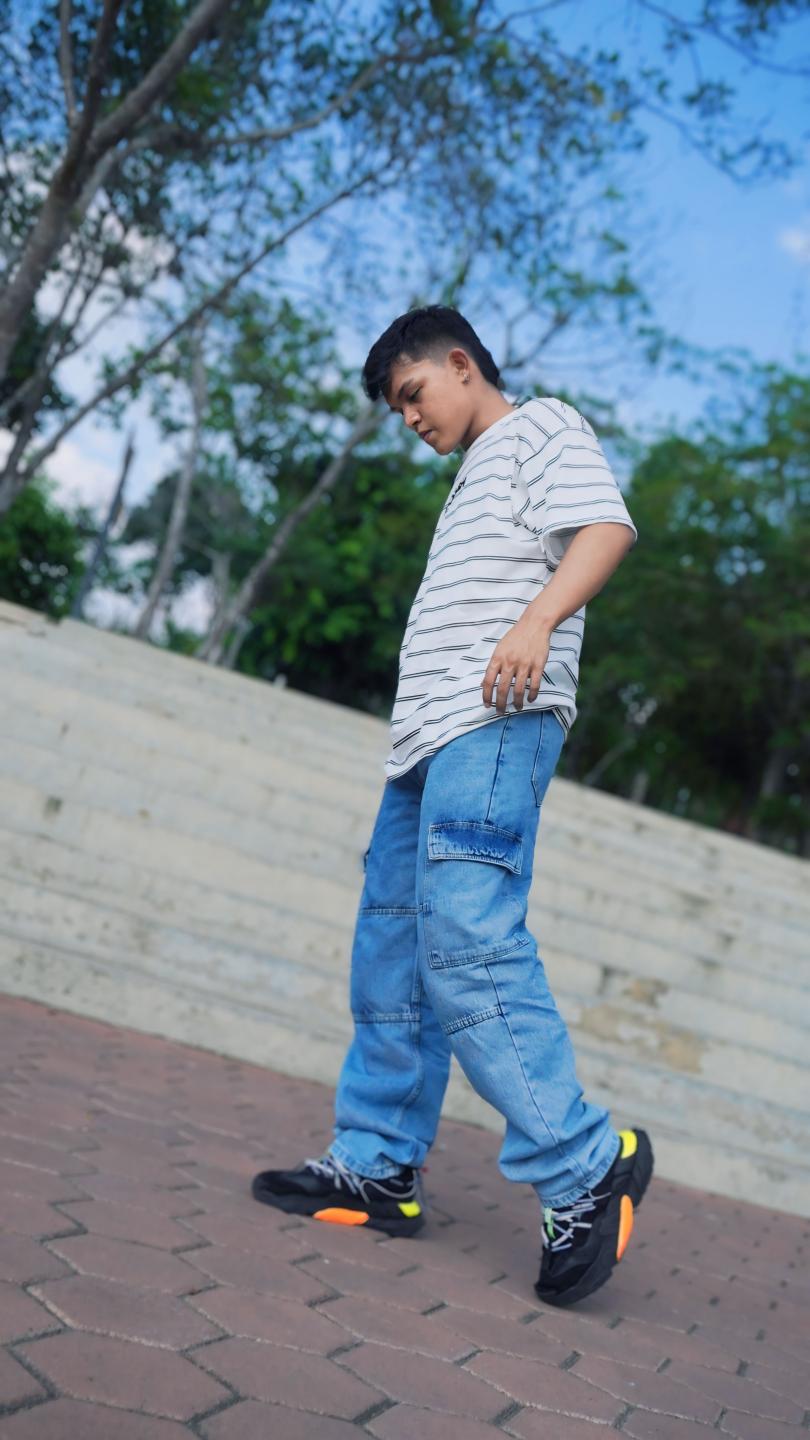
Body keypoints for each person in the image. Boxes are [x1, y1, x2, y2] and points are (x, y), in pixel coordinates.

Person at [252, 305, 653, 1307]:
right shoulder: (474, 474)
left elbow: (605, 529)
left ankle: (585, 1166)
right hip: (425, 745)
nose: (409, 418)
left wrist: (538, 621)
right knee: (391, 950)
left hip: (496, 723)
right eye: (397, 408)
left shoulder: (541, 426)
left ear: (462, 364)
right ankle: (378, 1162)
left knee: (470, 940)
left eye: (412, 394)